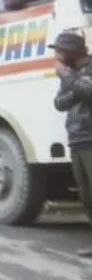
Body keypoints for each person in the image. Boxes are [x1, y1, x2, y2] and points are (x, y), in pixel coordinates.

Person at [50, 30, 92, 257]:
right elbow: (59, 103)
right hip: (76, 139)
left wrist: (69, 79)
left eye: (59, 50)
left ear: (71, 51)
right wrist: (76, 87)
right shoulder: (72, 75)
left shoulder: (84, 69)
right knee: (86, 196)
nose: (56, 55)